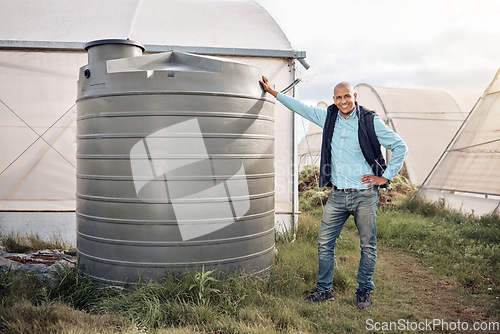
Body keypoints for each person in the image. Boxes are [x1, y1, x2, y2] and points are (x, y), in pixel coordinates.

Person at [260, 76, 408, 308]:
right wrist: (273, 92)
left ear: (355, 97)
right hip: (338, 195)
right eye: (338, 97)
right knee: (324, 242)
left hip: (365, 195)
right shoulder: (328, 118)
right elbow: (302, 108)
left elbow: (400, 146)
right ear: (334, 100)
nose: (343, 101)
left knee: (367, 245)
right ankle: (324, 290)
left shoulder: (370, 121)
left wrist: (385, 177)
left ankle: (363, 290)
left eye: (347, 96)